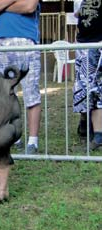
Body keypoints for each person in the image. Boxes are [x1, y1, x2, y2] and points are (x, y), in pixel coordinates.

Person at [0, 0, 41, 154]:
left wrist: (3, 7)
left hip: (27, 39)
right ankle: (13, 137)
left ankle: (33, 141)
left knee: (31, 91)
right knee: (5, 92)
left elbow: (30, 7)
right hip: (1, 40)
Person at [72, 0, 102, 150]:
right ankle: (85, 122)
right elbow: (78, 15)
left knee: (96, 91)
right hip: (83, 45)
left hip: (97, 46)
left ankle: (98, 134)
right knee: (83, 88)